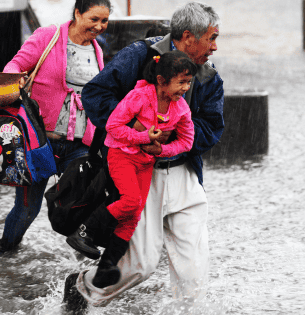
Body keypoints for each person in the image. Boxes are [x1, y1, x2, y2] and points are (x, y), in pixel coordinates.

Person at [64, 2, 223, 312]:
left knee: (194, 273)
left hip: (184, 173)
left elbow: (211, 128)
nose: (215, 47)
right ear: (188, 37)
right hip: (138, 171)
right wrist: (135, 128)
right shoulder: (139, 56)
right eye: (212, 38)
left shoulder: (208, 78)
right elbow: (95, 94)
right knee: (141, 265)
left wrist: (172, 140)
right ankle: (82, 288)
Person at [66, 50, 197, 289]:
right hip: (121, 155)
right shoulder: (140, 96)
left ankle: (107, 266)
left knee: (134, 213)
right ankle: (84, 232)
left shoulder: (180, 109)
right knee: (131, 199)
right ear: (161, 81)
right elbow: (113, 126)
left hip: (145, 161)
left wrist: (160, 151)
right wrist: (141, 136)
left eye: (189, 82)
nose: (185, 88)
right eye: (181, 82)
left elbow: (187, 142)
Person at [0, 0, 111, 256]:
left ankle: (84, 264)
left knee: (84, 203)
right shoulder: (49, 36)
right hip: (40, 143)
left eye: (104, 21)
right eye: (94, 19)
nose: (99, 26)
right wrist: (16, 79)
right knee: (27, 209)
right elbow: (14, 65)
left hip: (80, 144)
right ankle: (5, 250)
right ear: (78, 13)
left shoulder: (97, 49)